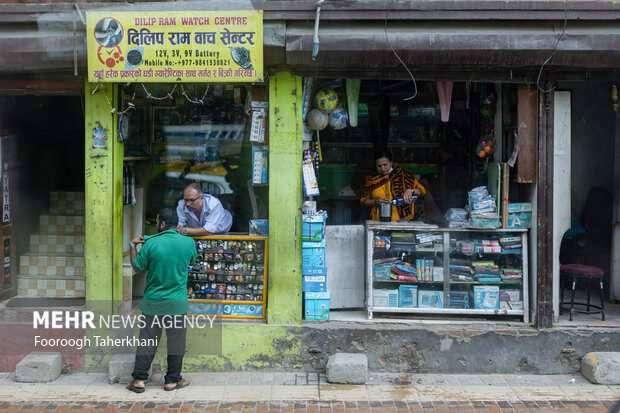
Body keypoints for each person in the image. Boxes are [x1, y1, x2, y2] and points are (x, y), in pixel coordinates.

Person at [126, 208, 197, 393]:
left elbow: (137, 267)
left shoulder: (151, 243)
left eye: (157, 221)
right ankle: (172, 381)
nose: (157, 224)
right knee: (176, 343)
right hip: (177, 303)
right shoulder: (189, 243)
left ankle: (139, 380)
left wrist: (133, 246)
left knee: (147, 342)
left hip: (153, 303)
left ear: (163, 224)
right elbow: (191, 262)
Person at [360, 149, 426, 221]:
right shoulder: (371, 179)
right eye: (379, 166)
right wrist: (375, 201)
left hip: (400, 221)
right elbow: (363, 200)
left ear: (391, 162)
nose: (382, 168)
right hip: (377, 220)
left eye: (385, 165)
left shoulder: (402, 174)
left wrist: (411, 191)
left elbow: (422, 191)